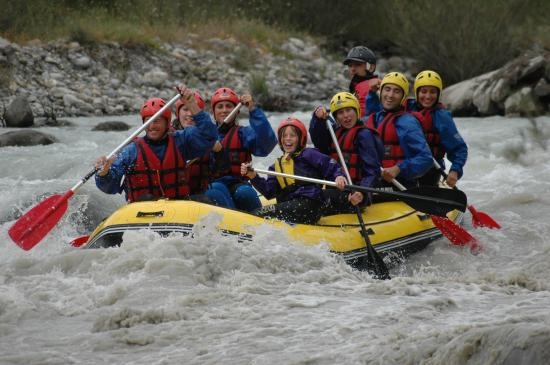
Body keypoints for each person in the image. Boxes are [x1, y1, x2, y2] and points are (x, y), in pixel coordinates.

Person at [94, 86, 218, 202]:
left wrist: (191, 105)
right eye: (148, 121)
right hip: (141, 212)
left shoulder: (181, 141)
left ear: (167, 123)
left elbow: (210, 136)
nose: (152, 126)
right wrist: (104, 173)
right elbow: (110, 188)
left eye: (157, 121)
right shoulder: (131, 151)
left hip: (177, 209)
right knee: (147, 198)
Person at [241, 117, 346, 224]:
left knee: (257, 214)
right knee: (259, 213)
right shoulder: (276, 167)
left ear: (300, 138)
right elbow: (269, 192)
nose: (288, 139)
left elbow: (331, 165)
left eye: (292, 135)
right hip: (292, 205)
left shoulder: (309, 154)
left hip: (309, 204)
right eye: (284, 136)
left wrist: (338, 176)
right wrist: (253, 175)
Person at [309, 92, 383, 214]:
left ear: (357, 111)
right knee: (308, 192)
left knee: (313, 196)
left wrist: (362, 191)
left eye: (349, 110)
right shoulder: (335, 133)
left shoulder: (364, 135)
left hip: (356, 192)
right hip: (335, 188)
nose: (346, 116)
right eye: (341, 112)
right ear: (336, 117)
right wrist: (317, 119)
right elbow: (318, 139)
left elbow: (372, 170)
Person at [206, 87, 277, 211]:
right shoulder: (206, 135)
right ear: (214, 111)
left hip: (239, 183)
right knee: (215, 190)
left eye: (228, 106)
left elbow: (266, 145)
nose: (224, 110)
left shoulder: (244, 133)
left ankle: (256, 222)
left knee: (245, 193)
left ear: (236, 111)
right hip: (214, 184)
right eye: (220, 106)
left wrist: (253, 110)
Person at [364, 72, 433, 189]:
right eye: (387, 89)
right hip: (374, 181)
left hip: (400, 185)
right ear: (381, 92)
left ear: (403, 97)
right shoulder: (375, 117)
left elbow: (426, 158)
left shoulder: (408, 122)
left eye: (396, 91)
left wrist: (399, 169)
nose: (390, 95)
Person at [408, 70, 468, 187]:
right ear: (416, 92)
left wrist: (455, 171)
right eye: (423, 91)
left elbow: (459, 148)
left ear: (438, 94)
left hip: (430, 170)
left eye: (433, 92)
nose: (428, 96)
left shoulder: (442, 117)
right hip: (405, 167)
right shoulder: (407, 107)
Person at [173, 91, 224, 198]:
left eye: (192, 110)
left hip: (200, 191)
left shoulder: (208, 139)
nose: (190, 114)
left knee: (218, 188)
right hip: (176, 196)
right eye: (185, 109)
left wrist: (219, 152)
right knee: (214, 193)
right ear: (178, 113)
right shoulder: (169, 137)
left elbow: (222, 168)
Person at [343, 46, 381, 120]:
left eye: (358, 65)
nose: (352, 69)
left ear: (371, 67)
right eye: (350, 66)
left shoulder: (376, 86)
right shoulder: (355, 86)